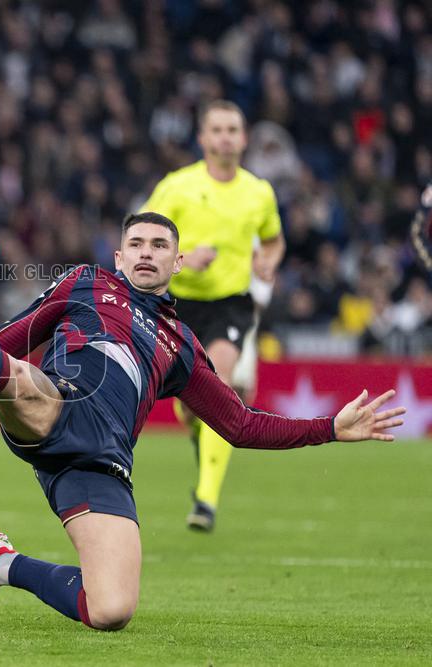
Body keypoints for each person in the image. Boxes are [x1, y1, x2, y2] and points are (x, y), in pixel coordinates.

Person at [0, 215, 404, 631]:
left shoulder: (182, 345)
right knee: (14, 376)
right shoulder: (85, 284)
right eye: (136, 244)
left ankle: (0, 564)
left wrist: (329, 427)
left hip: (101, 462)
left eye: (159, 246)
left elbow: (240, 425)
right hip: (62, 400)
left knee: (110, 610)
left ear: (178, 262)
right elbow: (5, 348)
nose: (147, 253)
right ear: (119, 256)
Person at [141, 100, 286, 531]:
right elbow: (141, 239)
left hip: (229, 303)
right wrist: (183, 256)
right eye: (217, 130)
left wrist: (269, 262)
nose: (225, 137)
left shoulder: (258, 192)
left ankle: (205, 500)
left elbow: (274, 240)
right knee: (192, 406)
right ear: (202, 138)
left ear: (243, 139)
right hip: (177, 304)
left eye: (232, 129)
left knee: (219, 384)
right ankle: (198, 435)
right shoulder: (176, 187)